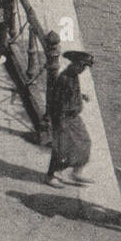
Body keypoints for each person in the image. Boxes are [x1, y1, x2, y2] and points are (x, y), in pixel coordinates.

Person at [45, 49, 94, 187]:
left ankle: (77, 172)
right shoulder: (65, 78)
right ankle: (52, 175)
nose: (83, 69)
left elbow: (71, 93)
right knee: (62, 147)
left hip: (73, 117)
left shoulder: (73, 75)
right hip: (64, 118)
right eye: (82, 66)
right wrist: (59, 123)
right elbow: (58, 102)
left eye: (85, 67)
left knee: (85, 141)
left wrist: (81, 96)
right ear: (75, 64)